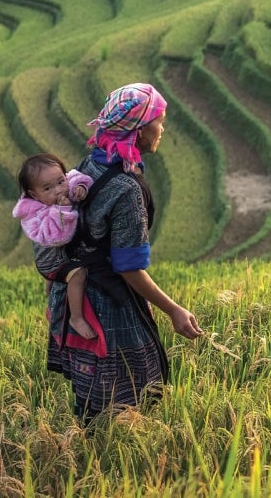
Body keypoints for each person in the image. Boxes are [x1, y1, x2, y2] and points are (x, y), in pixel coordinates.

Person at [44, 82, 203, 423]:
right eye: (158, 122)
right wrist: (174, 310)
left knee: (91, 397)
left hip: (75, 294)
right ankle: (111, 463)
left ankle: (86, 452)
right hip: (107, 303)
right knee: (133, 393)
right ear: (140, 130)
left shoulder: (91, 164)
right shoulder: (127, 190)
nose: (162, 129)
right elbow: (129, 267)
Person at [12, 153, 97, 340]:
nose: (58, 190)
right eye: (48, 188)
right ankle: (77, 317)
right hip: (50, 260)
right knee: (78, 274)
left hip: (60, 254)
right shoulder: (33, 215)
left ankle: (52, 283)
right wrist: (63, 211)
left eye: (60, 182)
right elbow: (58, 238)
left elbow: (76, 177)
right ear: (35, 195)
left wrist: (81, 186)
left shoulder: (65, 184)